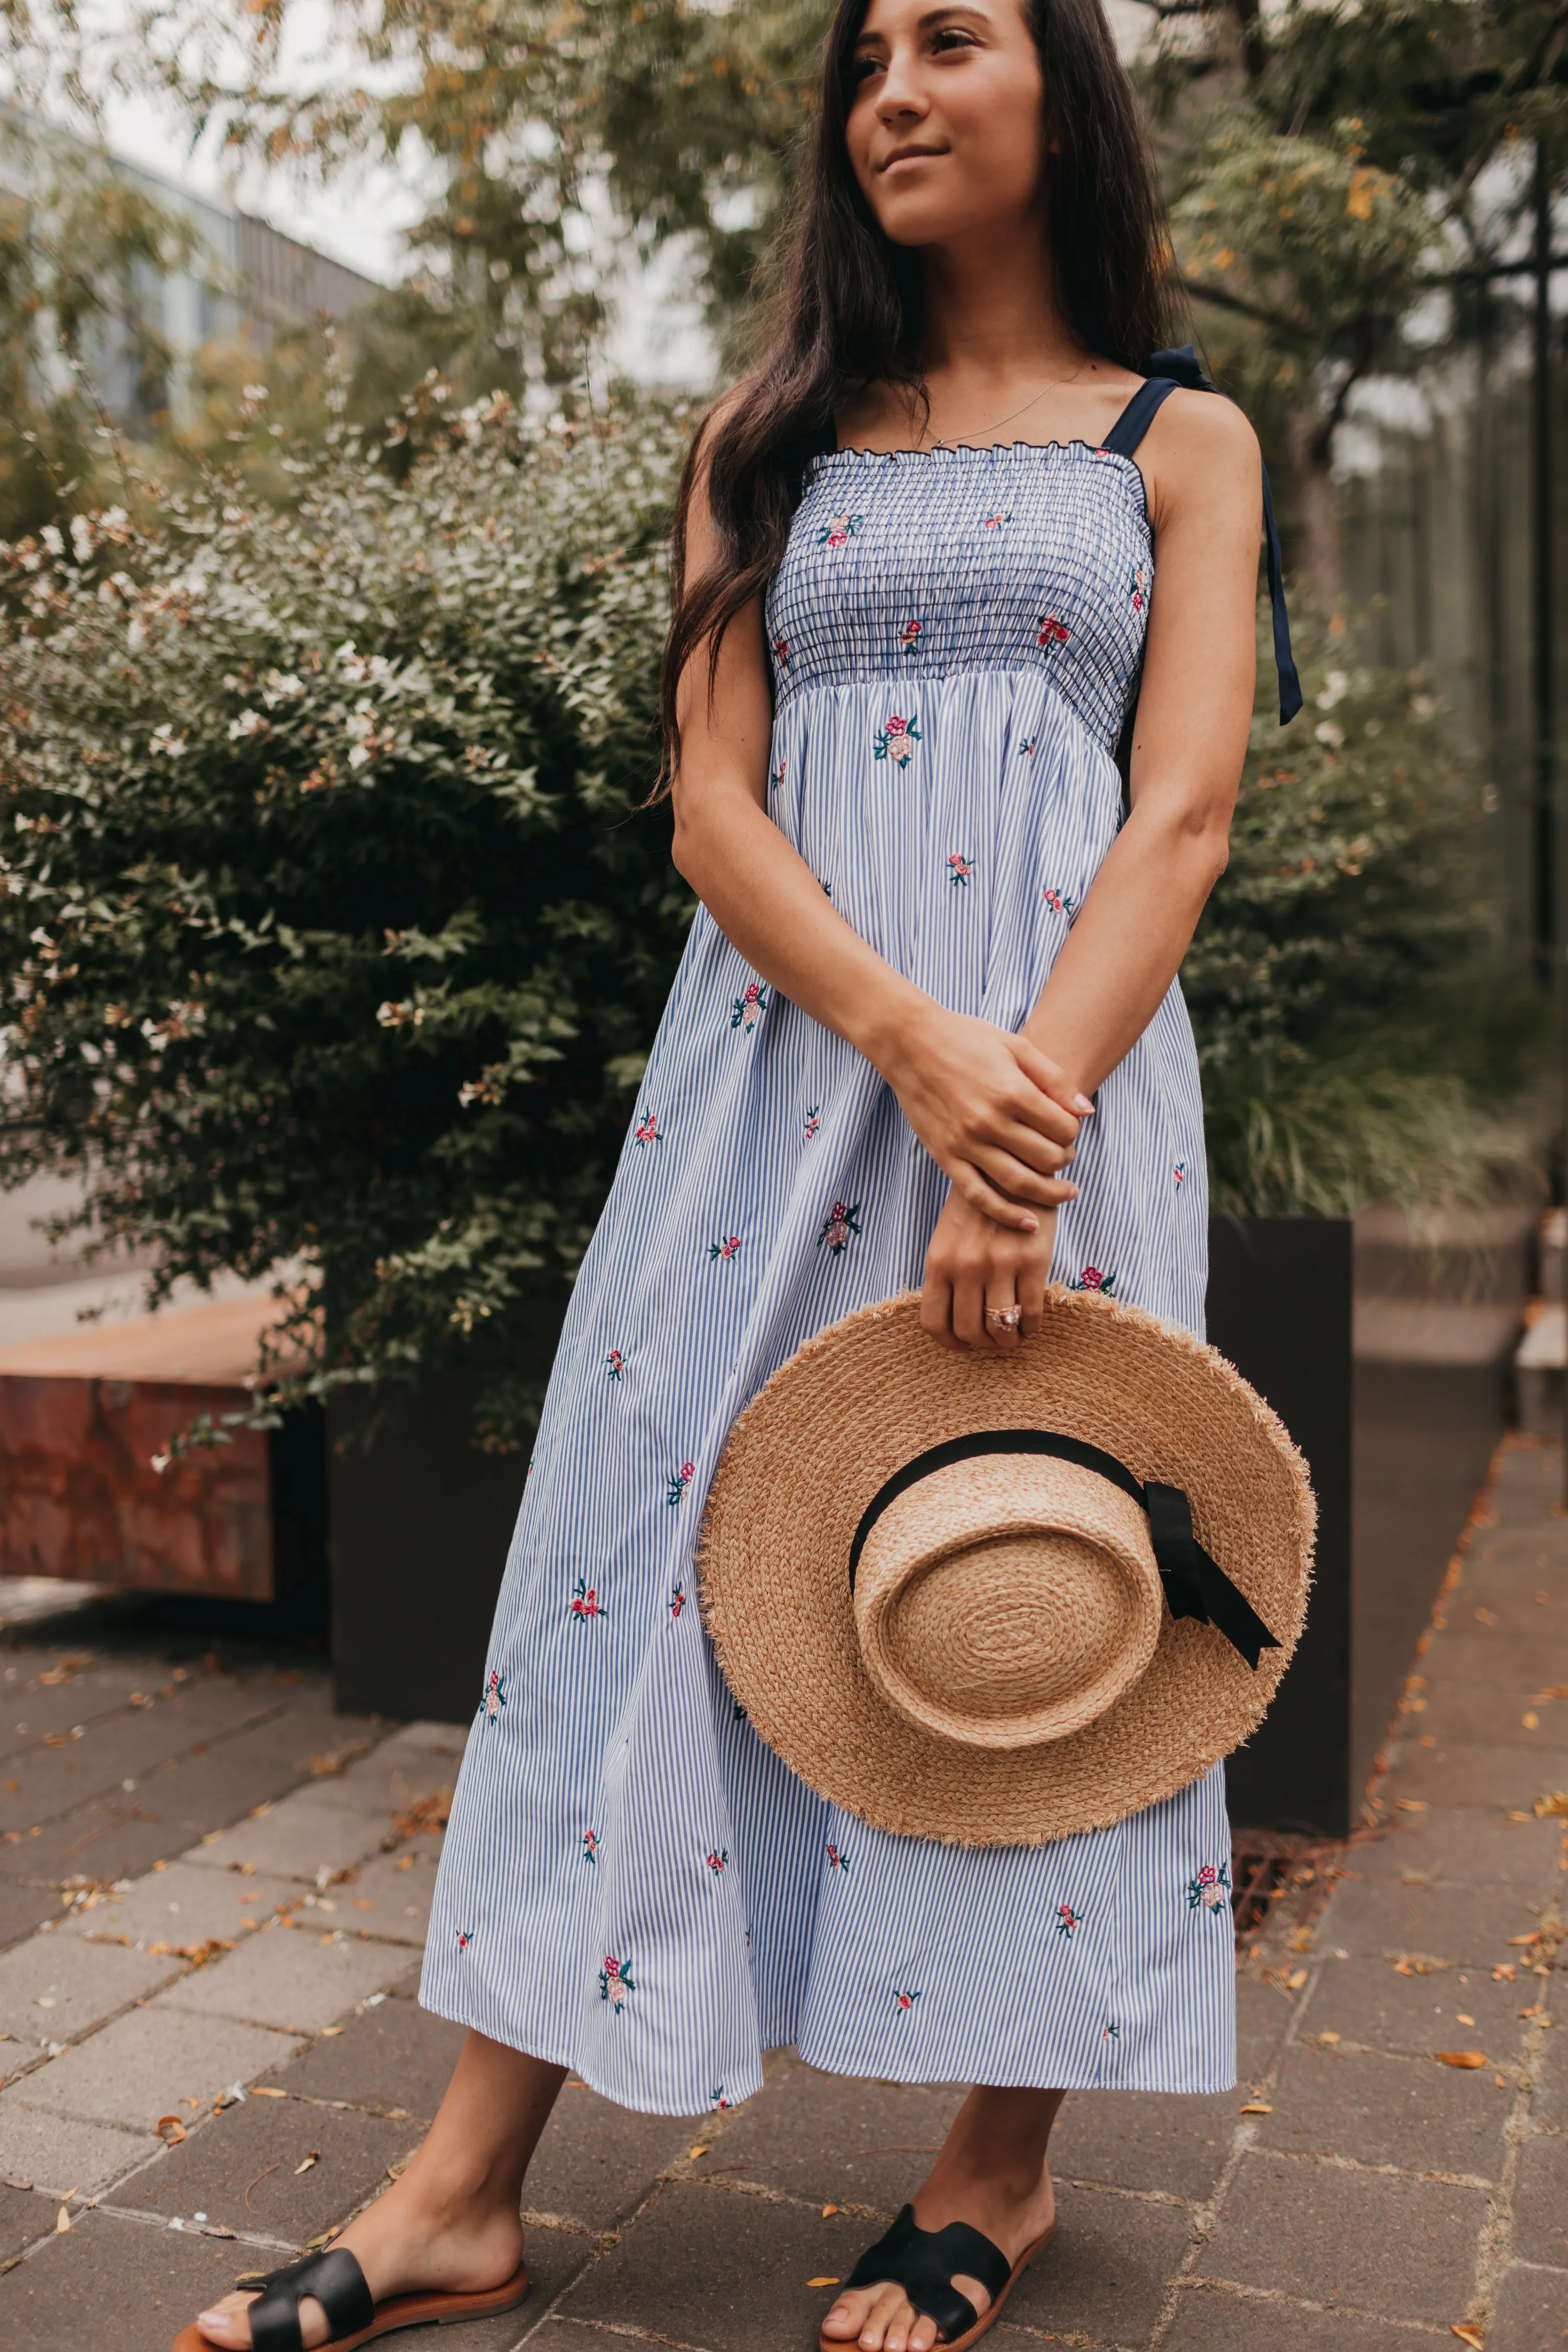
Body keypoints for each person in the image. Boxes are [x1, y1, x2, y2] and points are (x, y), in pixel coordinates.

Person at [185, 0, 1279, 2343]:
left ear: (1054, 93)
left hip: (1069, 1110)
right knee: (645, 1554)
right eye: (862, 53)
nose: (889, 84)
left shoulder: (1183, 444)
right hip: (783, 1080)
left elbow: (1181, 812)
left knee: (1033, 1575)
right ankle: (469, 2179)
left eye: (949, 38)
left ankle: (996, 2169)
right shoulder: (767, 437)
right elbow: (713, 810)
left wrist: (1024, 1125)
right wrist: (908, 1043)